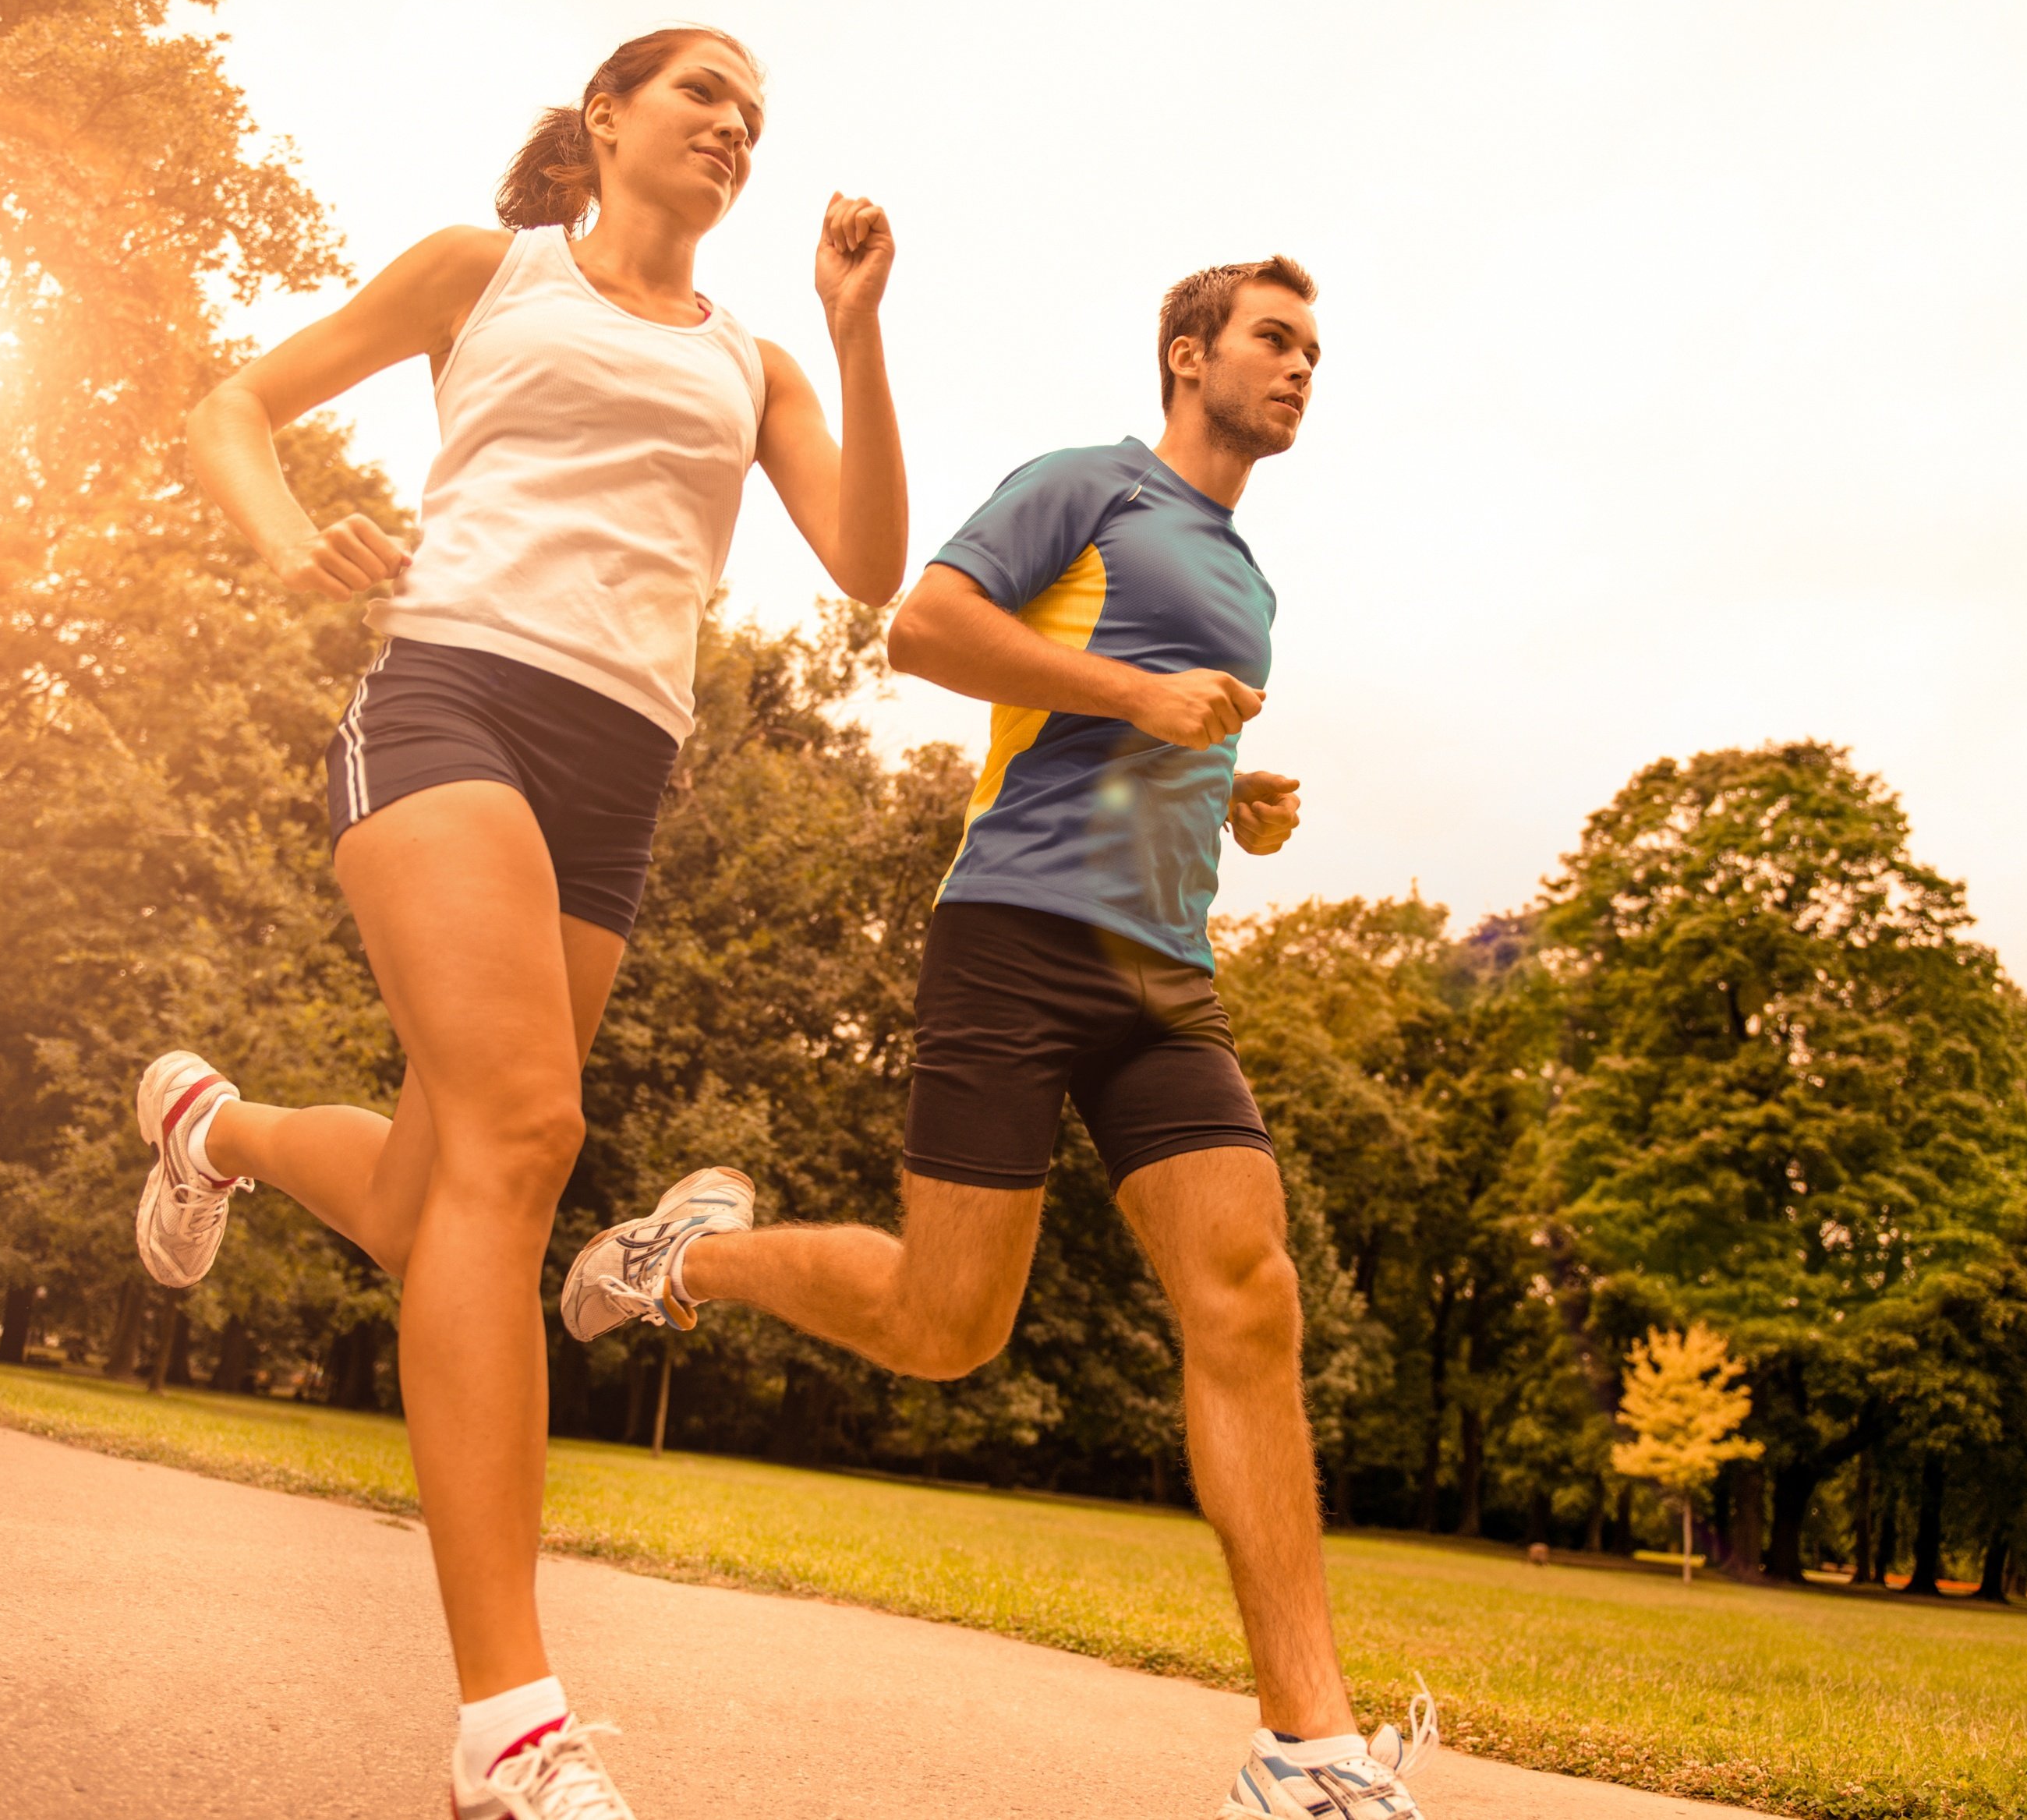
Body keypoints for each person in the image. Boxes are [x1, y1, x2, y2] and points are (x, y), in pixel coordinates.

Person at [136, 26, 905, 1820]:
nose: (731, 123)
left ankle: (212, 1125)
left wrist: (856, 334)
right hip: (449, 698)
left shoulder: (755, 355)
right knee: (527, 1136)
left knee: (435, 1201)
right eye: (700, 91)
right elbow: (226, 408)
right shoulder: (483, 275)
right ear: (607, 117)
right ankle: (510, 1726)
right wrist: (279, 539)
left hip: (619, 771)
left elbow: (866, 562)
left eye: (754, 114)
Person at [564, 256, 1442, 1820]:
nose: (1302, 365)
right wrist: (1136, 698)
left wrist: (1224, 786)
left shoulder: (1247, 573)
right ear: (1189, 353)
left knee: (1249, 1297)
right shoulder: (1083, 485)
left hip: (1163, 972)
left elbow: (1137, 728)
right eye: (1274, 338)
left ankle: (1304, 1748)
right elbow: (925, 629)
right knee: (942, 1321)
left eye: (1315, 346)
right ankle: (683, 1254)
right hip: (1016, 940)